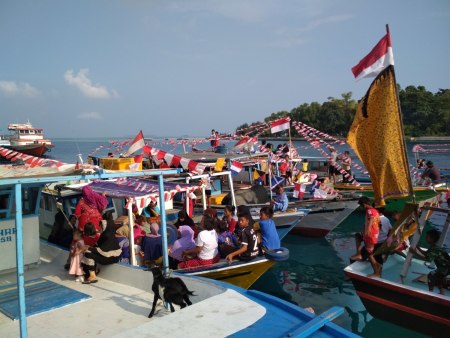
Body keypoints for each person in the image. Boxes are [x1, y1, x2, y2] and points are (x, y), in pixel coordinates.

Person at [82, 212, 122, 284]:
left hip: (109, 258)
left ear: (105, 226)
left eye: (100, 226)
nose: (99, 228)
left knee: (87, 253)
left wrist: (89, 248)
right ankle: (93, 272)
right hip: (113, 257)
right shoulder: (108, 235)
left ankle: (92, 276)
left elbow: (102, 250)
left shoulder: (106, 236)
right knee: (89, 251)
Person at [410, 229, 450, 295]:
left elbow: (426, 258)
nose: (426, 238)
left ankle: (430, 292)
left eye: (427, 237)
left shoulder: (435, 249)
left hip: (445, 267)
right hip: (445, 267)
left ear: (432, 239)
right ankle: (442, 292)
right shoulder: (433, 247)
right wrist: (418, 248)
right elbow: (426, 254)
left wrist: (414, 252)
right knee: (439, 277)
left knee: (431, 275)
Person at [351, 196, 381, 277]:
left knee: (369, 253)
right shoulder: (374, 210)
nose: (362, 207)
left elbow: (371, 219)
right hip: (373, 234)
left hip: (370, 235)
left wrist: (367, 231)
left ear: (364, 204)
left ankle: (376, 272)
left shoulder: (370, 211)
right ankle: (360, 254)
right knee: (358, 236)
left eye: (361, 205)